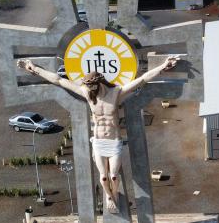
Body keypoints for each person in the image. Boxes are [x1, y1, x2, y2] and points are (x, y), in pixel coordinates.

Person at [17, 56, 178, 213]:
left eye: (92, 86)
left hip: (114, 141)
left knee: (114, 176)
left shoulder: (116, 92)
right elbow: (59, 81)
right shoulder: (87, 93)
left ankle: (114, 193)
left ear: (99, 82)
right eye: (88, 87)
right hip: (99, 142)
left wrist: (163, 66)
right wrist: (35, 69)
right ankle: (109, 197)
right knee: (103, 177)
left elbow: (142, 79)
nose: (90, 89)